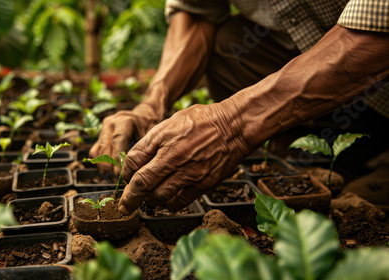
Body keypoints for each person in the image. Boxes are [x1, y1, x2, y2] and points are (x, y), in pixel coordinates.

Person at [90, 0, 389, 216]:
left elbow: (377, 35)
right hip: (322, 85)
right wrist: (151, 105)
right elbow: (196, 14)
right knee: (230, 42)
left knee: (360, 209)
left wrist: (230, 125)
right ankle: (303, 161)